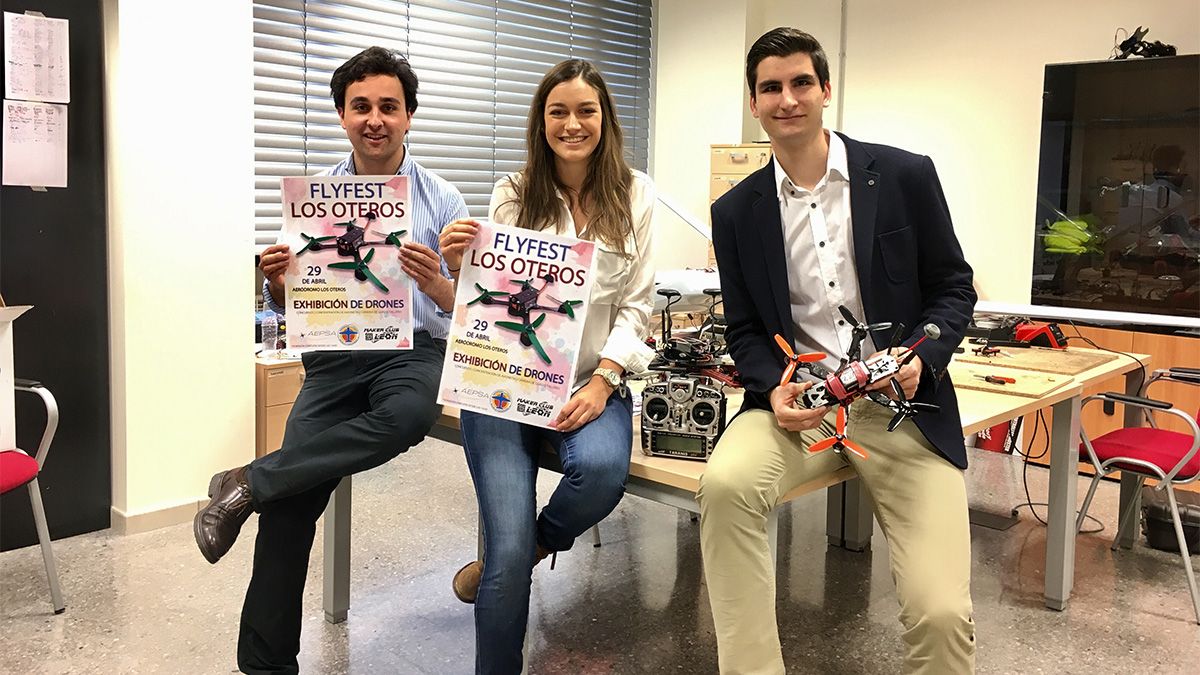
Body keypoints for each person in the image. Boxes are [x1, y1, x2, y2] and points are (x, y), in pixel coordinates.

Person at [699, 28, 978, 674]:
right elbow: (744, 329)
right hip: (804, 406)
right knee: (726, 486)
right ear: (754, 102)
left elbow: (953, 289)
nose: (787, 99)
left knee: (941, 613)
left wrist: (922, 361)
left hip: (902, 406)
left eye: (801, 83)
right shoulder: (736, 212)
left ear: (826, 89)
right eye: (771, 87)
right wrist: (773, 387)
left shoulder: (905, 175)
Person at [193, 46, 468, 674]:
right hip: (336, 357)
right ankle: (265, 667)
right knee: (288, 516)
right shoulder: (317, 203)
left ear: (409, 116)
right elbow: (295, 303)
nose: (375, 118)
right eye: (361, 106)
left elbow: (468, 314)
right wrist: (281, 281)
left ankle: (247, 481)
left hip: (412, 352)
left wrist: (439, 285)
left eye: (388, 107)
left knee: (405, 418)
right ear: (343, 116)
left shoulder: (444, 200)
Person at [438, 58, 656, 675]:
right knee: (503, 552)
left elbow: (637, 305)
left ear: (605, 118)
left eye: (586, 110)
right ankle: (510, 566)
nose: (572, 123)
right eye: (557, 111)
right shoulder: (513, 191)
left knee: (602, 472)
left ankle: (538, 543)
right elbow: (495, 299)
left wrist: (604, 379)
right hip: (506, 385)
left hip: (594, 380)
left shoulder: (637, 193)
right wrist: (462, 265)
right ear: (542, 121)